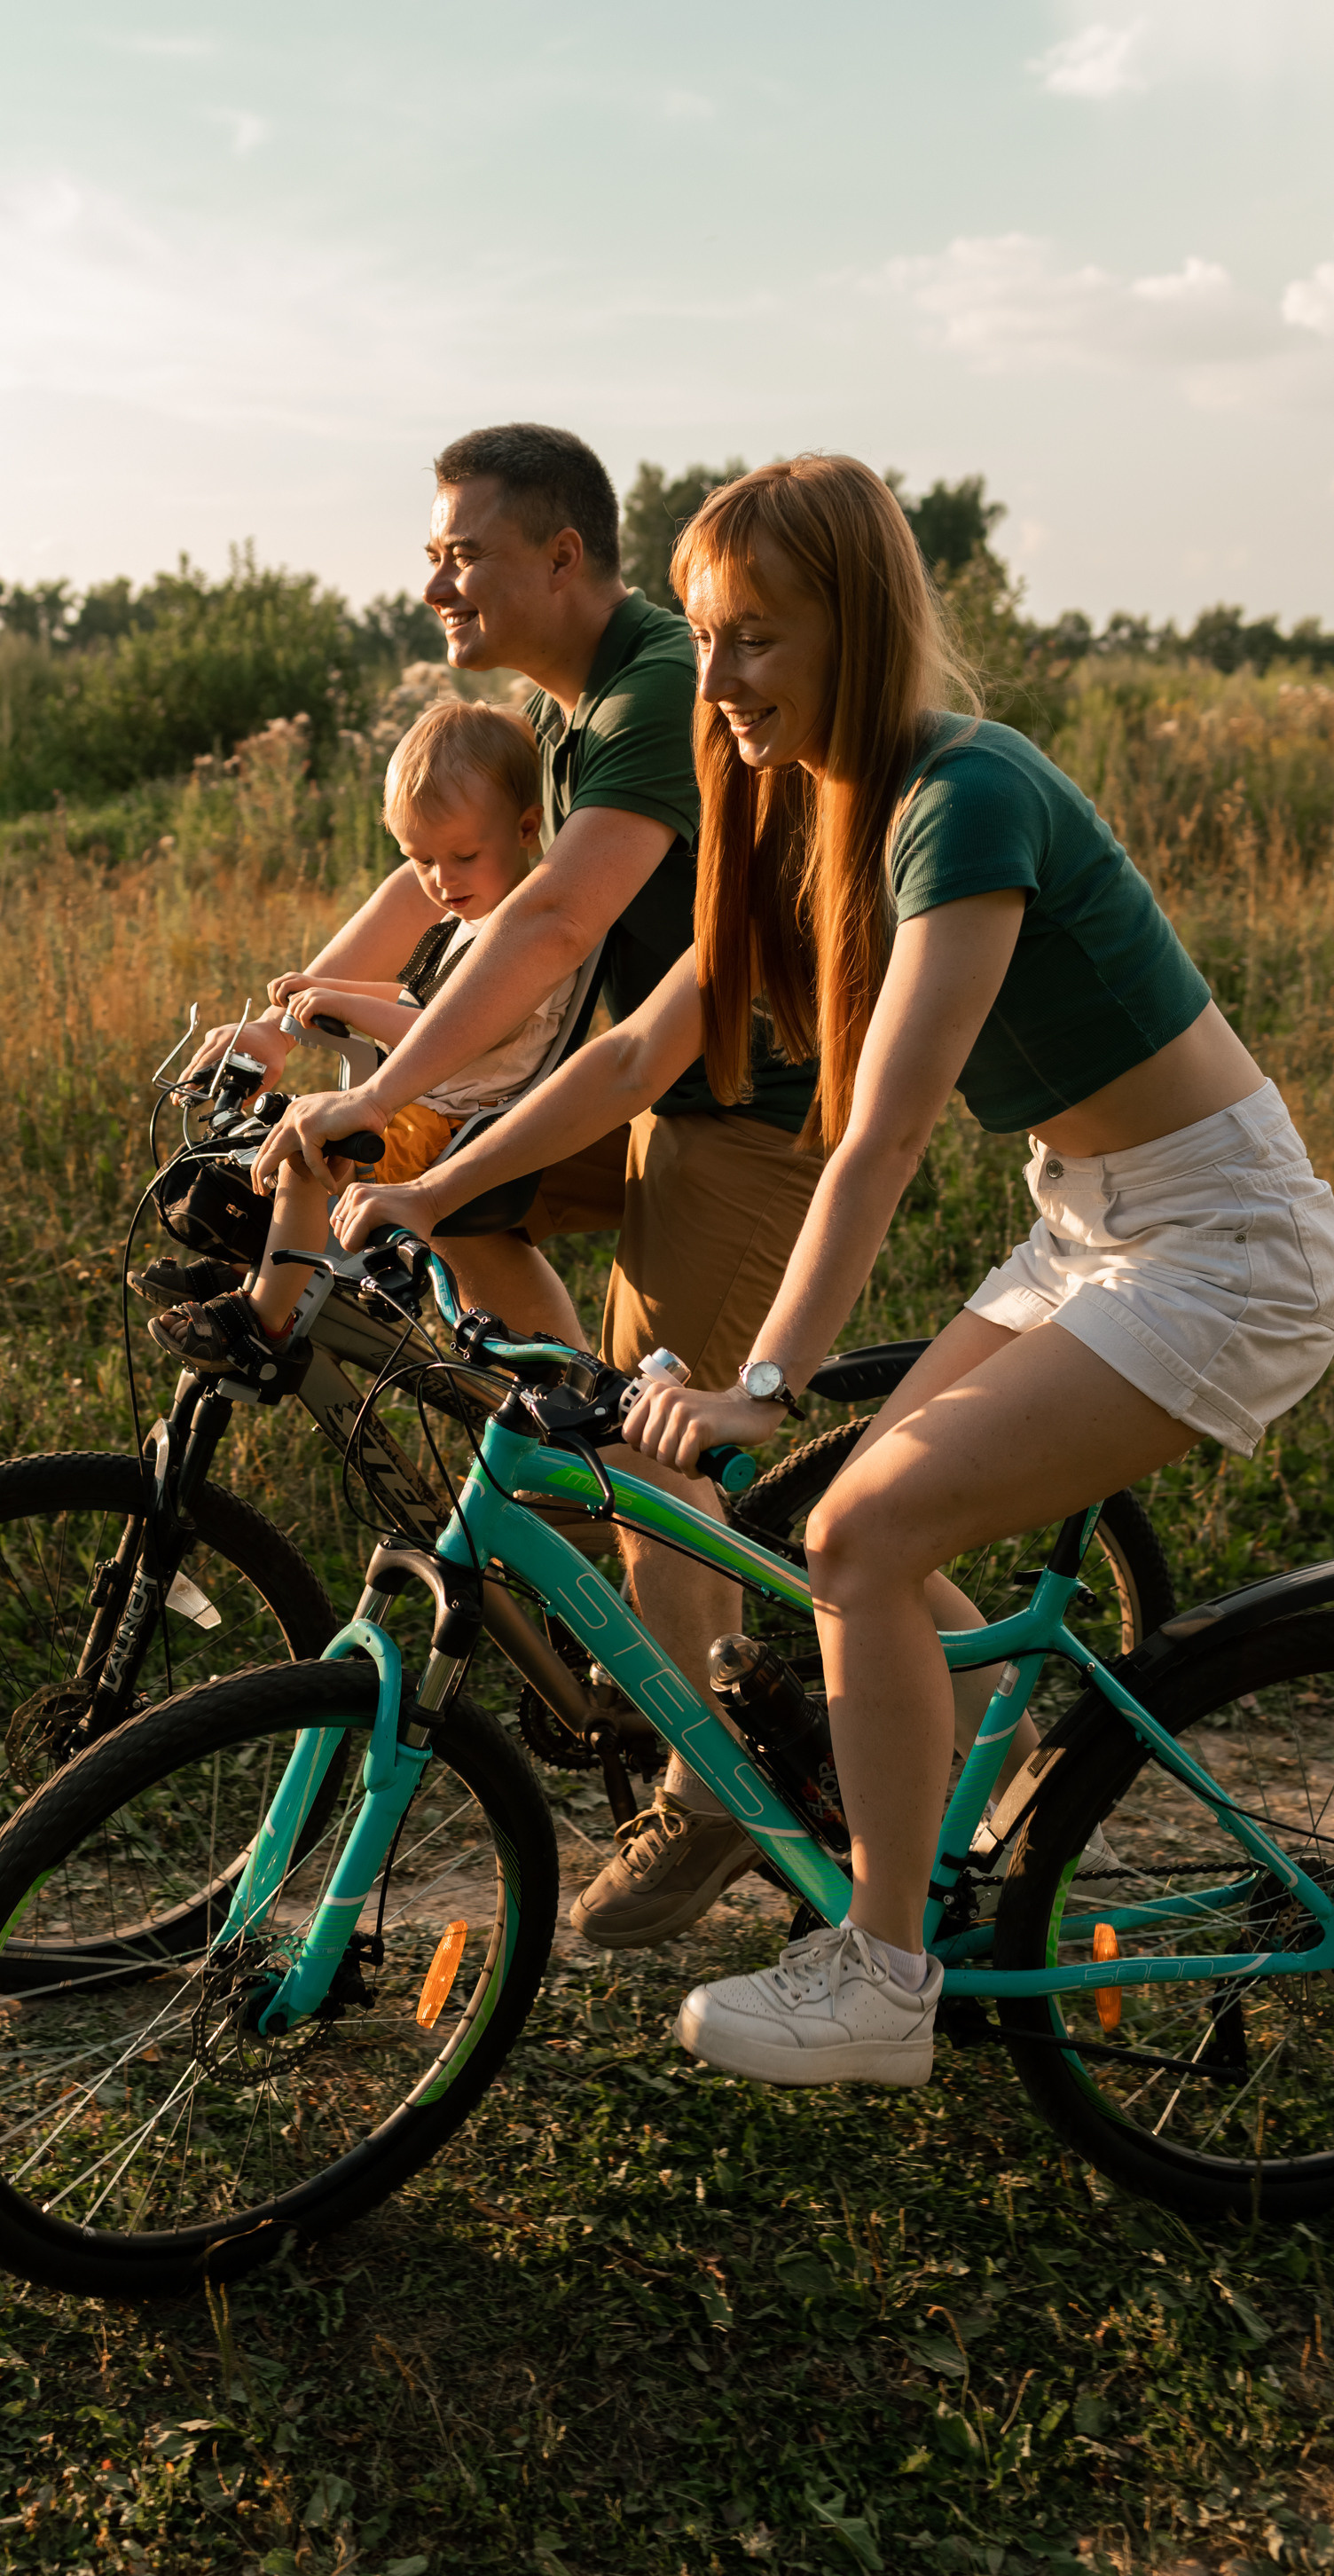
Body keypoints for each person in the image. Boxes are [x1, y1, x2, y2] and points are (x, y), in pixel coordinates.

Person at [333, 452, 1334, 2090]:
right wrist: (428, 1177)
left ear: (856, 631)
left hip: (1220, 1240)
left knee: (859, 1528)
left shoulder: (965, 796)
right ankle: (994, 1794)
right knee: (830, 1531)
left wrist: (760, 1384)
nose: (712, 680)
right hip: (1094, 1217)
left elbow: (874, 1136)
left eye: (757, 641)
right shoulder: (816, 811)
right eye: (708, 638)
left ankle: (882, 1974)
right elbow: (652, 1043)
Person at [251, 423, 826, 1951]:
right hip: (640, 1077)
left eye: (462, 550)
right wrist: (311, 1019)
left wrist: (376, 1097)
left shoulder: (647, 694)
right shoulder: (561, 709)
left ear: (559, 557)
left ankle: (716, 1787)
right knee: (478, 1218)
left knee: (653, 1448)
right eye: (435, 552)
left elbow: (556, 921)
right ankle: (572, 1507)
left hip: (736, 1110)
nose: (435, 576)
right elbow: (431, 887)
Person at [150, 700, 576, 1377]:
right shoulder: (468, 919)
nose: (441, 880)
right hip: (427, 1101)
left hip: (453, 1124)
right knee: (278, 1130)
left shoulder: (521, 934)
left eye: (463, 856)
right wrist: (319, 1002)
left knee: (310, 1153)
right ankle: (248, 1276)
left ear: (528, 829)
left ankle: (264, 1320)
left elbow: (456, 1030)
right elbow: (420, 1001)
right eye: (421, 860)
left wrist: (347, 999)